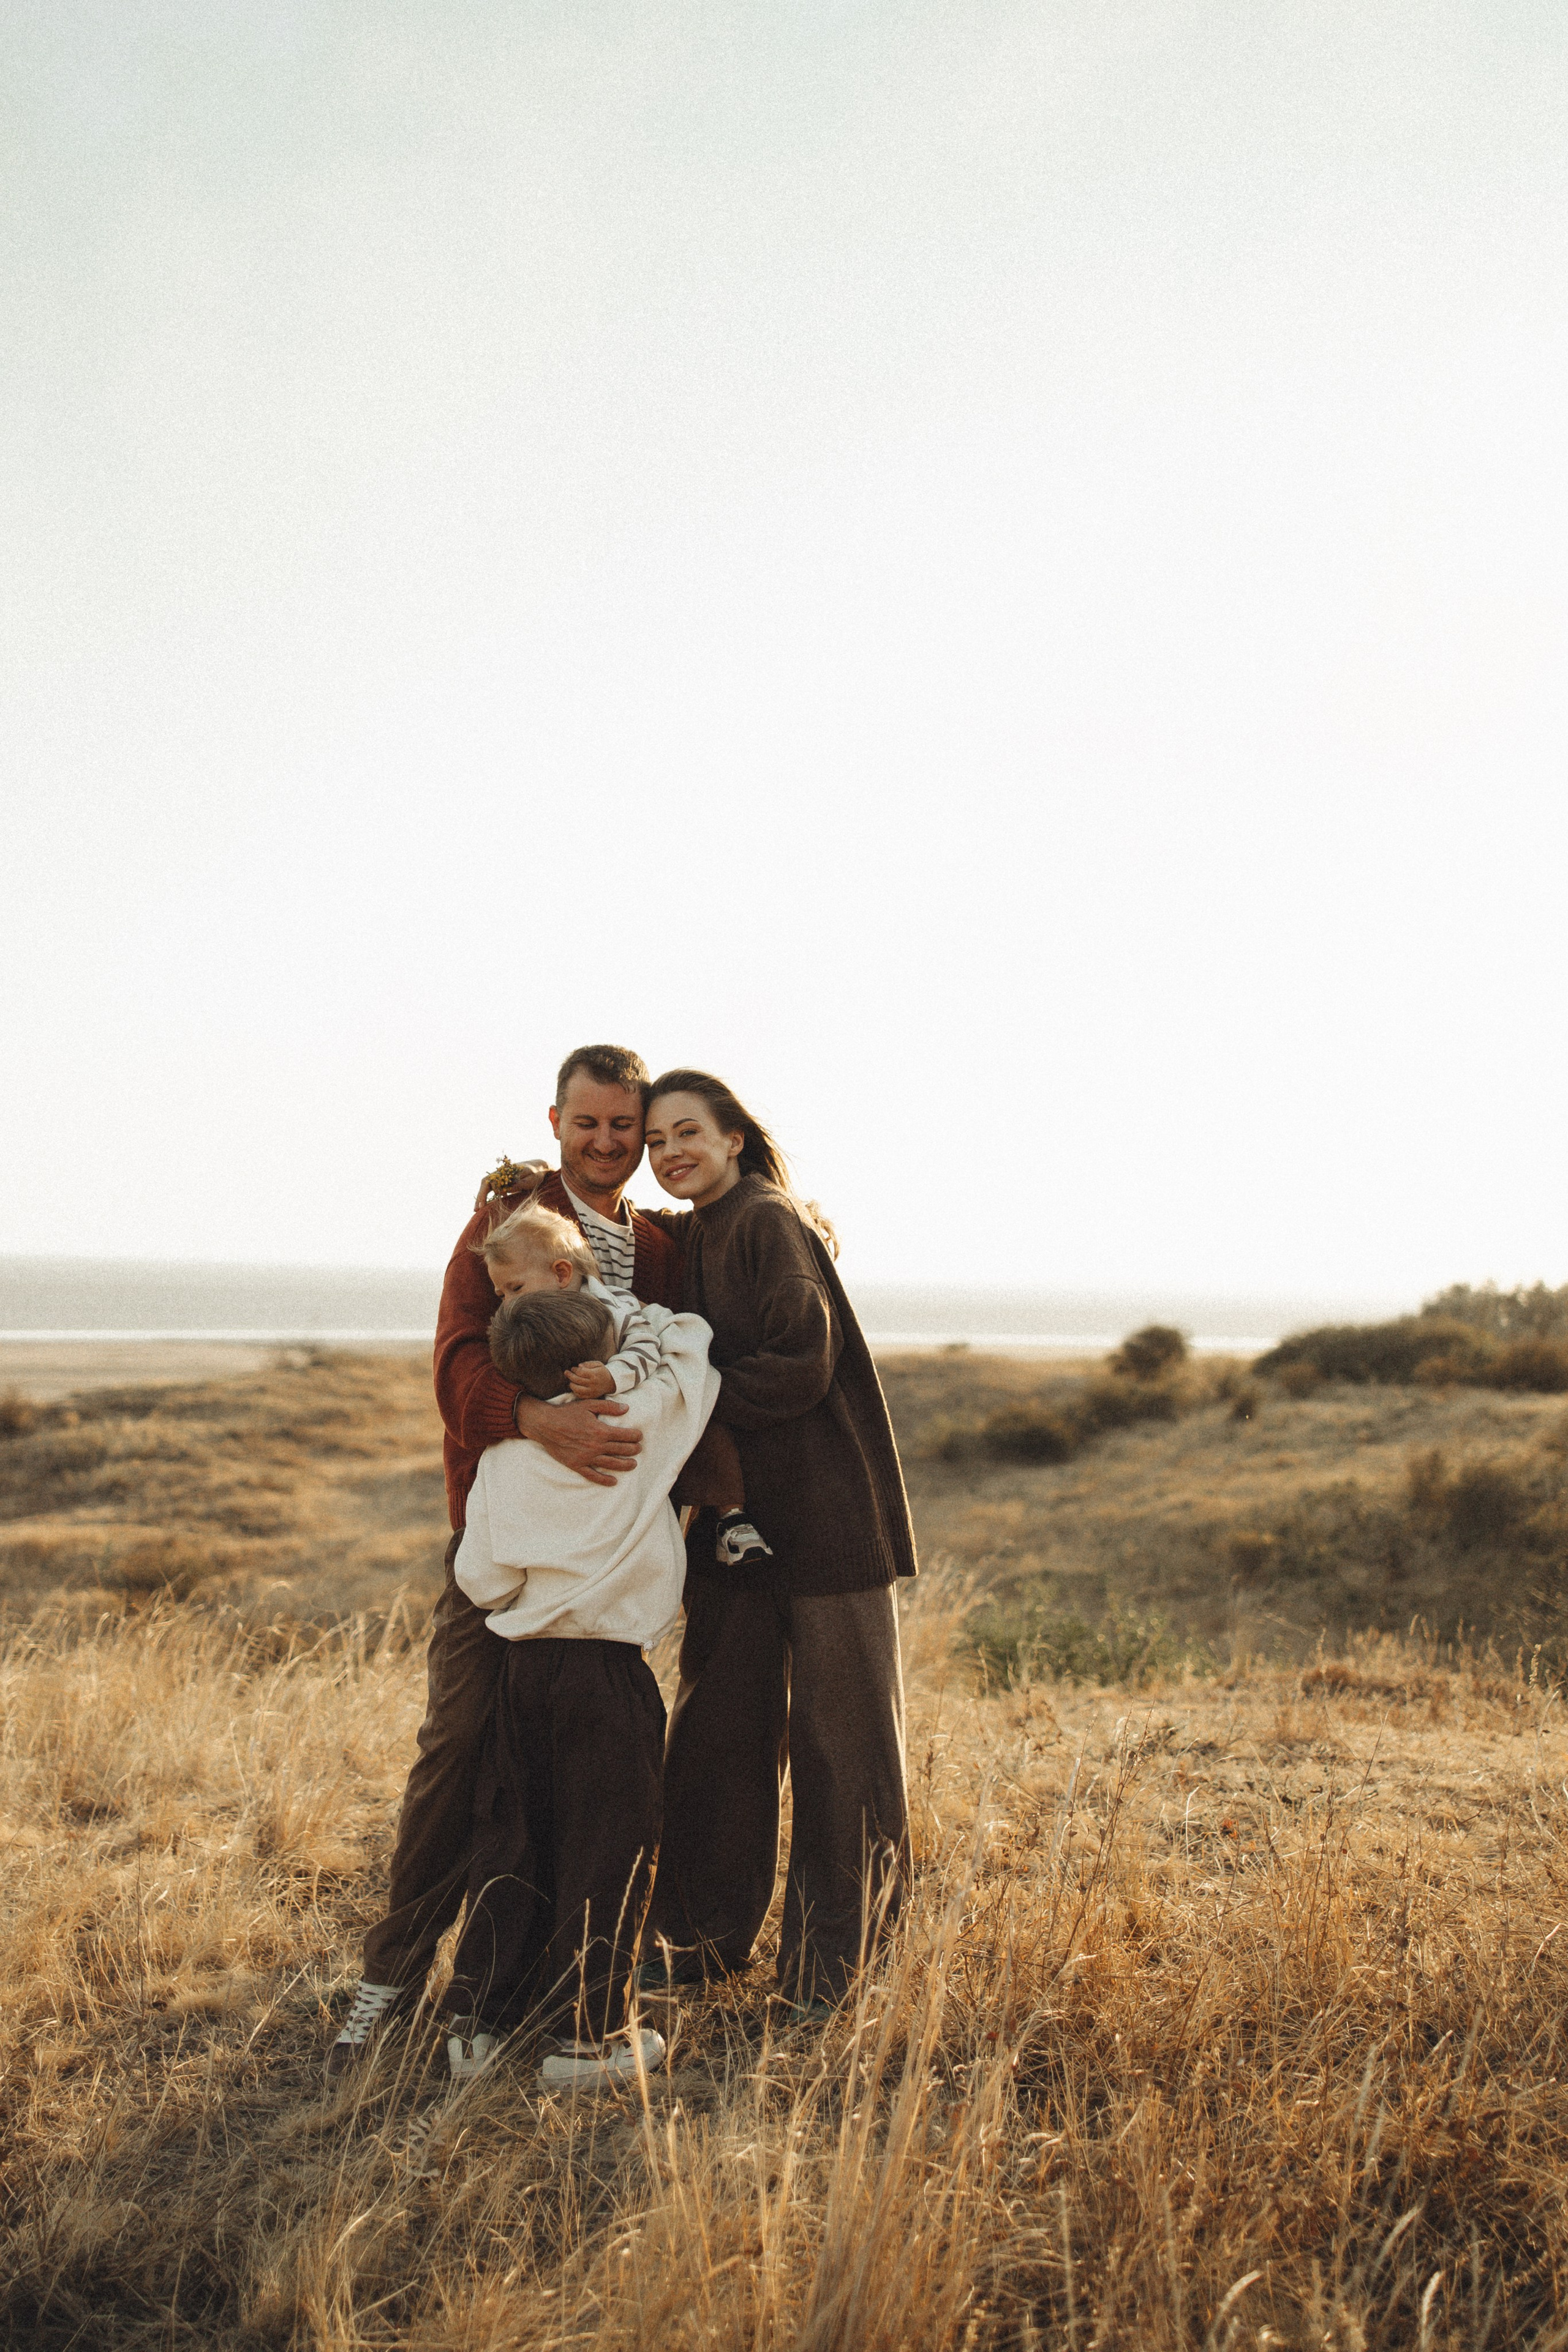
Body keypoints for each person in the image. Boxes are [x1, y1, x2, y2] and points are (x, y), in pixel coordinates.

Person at [328, 1042, 684, 2078]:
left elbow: (680, 1353)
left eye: (624, 1126)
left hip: (602, 1562)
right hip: (505, 1541)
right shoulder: (508, 1224)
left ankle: (517, 2000)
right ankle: (388, 1984)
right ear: (555, 1121)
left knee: (565, 1783)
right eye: (588, 1122)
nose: (607, 1142)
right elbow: (456, 1366)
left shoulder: (660, 1247)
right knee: (458, 1749)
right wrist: (537, 1420)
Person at [638, 1070, 918, 2013]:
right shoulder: (699, 1231)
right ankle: (697, 1939)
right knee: (718, 1733)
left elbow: (804, 1358)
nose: (669, 1152)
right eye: (655, 1141)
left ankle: (840, 1972)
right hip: (739, 1530)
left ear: (733, 1138)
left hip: (829, 1520)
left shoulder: (764, 1218)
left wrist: (687, 1404)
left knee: (845, 1750)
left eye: (687, 1133)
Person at [442, 1284, 720, 2086]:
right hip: (608, 1675)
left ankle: (479, 2025)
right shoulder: (636, 1420)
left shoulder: (502, 1457)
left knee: (512, 1838)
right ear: (599, 1354)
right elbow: (692, 1345)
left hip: (524, 1672)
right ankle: (587, 2038)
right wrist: (622, 1337)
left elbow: (482, 1578)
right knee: (609, 1850)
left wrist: (532, 1588)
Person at [479, 1197, 772, 1568]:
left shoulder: (612, 1306)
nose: (507, 1304)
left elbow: (646, 1346)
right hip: (582, 1436)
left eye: (515, 1288)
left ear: (562, 1274)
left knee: (703, 1428)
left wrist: (611, 1376)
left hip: (635, 1391)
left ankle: (731, 1518)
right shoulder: (532, 1321)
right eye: (502, 1295)